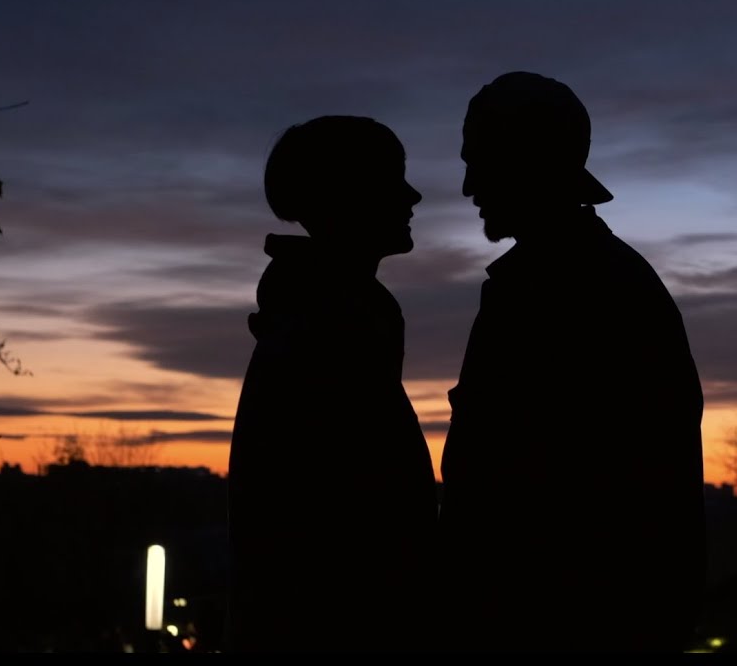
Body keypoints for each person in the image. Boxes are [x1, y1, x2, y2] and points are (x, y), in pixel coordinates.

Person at [438, 72, 707, 652]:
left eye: (480, 162)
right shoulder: (574, 281)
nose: (467, 186)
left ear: (526, 162)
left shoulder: (577, 290)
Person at [227, 116, 436, 652]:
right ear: (349, 196)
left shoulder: (336, 314)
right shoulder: (328, 328)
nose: (413, 196)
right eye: (393, 179)